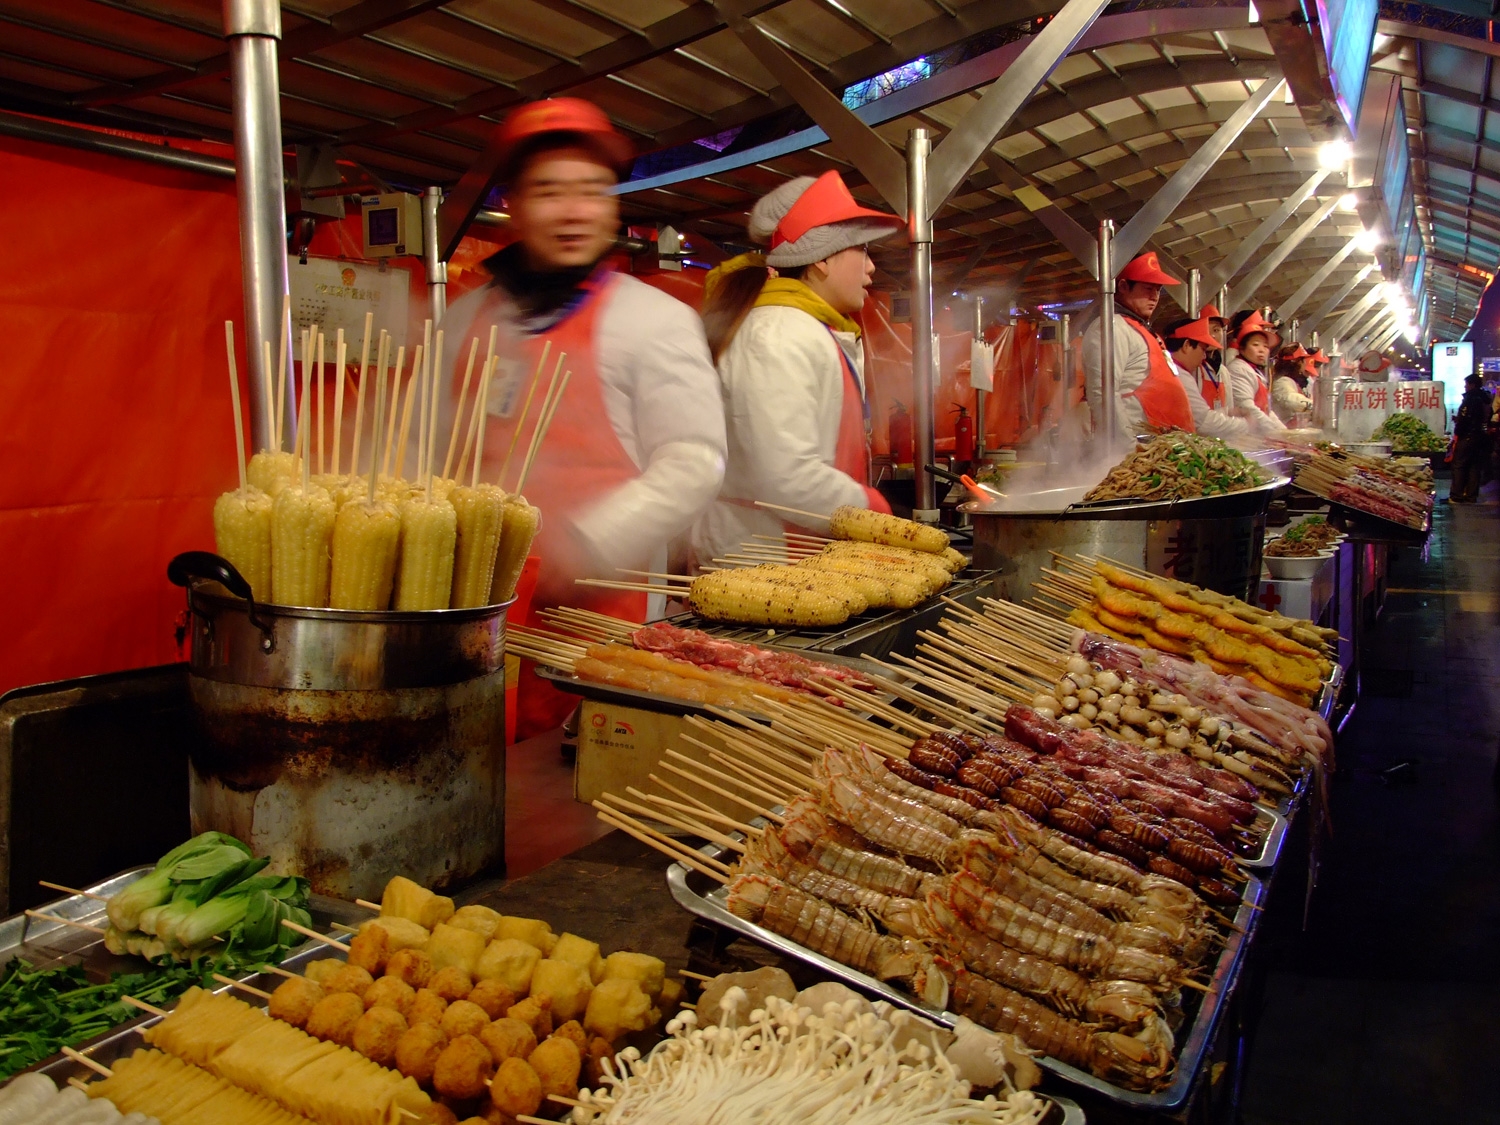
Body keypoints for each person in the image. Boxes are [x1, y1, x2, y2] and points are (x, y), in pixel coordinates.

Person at [441, 96, 728, 736]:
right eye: (549, 191)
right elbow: (426, 448)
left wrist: (586, 542)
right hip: (471, 615)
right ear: (513, 203)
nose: (574, 212)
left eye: (592, 191)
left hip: (601, 619)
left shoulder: (652, 321)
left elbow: (695, 460)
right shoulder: (465, 319)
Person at [691, 171, 903, 564]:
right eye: (863, 251)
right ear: (822, 257)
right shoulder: (776, 334)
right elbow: (784, 477)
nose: (871, 269)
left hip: (803, 559)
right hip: (762, 559)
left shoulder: (808, 328)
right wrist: (870, 507)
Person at [1082, 251, 1196, 441]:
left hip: (1164, 452)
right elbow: (1102, 394)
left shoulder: (1141, 330)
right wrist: (1129, 451)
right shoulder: (1112, 327)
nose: (1155, 296)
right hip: (1142, 453)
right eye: (1148, 288)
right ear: (1124, 286)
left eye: (1158, 289)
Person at [1164, 318, 1248, 438]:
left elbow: (1198, 416)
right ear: (1187, 345)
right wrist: (1246, 424)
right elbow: (1203, 423)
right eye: (1202, 349)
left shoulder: (1176, 370)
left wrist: (1228, 412)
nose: (1204, 356)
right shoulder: (1178, 374)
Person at [1224, 310, 1285, 434]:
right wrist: (1277, 433)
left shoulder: (1254, 370)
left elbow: (1267, 411)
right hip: (1246, 437)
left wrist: (1285, 432)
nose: (1262, 350)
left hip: (1260, 436)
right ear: (1242, 348)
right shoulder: (1238, 369)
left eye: (1266, 346)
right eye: (1256, 345)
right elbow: (1247, 408)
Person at [1449, 373, 1492, 503]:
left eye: (1466, 384)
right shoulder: (1485, 399)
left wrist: (1458, 428)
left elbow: (1465, 418)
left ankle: (1457, 495)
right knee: (1474, 466)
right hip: (1480, 437)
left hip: (1467, 436)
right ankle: (1471, 496)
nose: (1465, 387)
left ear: (1472, 385)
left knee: (1459, 465)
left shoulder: (1470, 399)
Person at [1272, 344, 1313, 424]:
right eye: (1303, 360)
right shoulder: (1282, 381)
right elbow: (1292, 400)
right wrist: (1316, 407)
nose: (1305, 363)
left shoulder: (1292, 381)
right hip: (1283, 430)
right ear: (1298, 362)